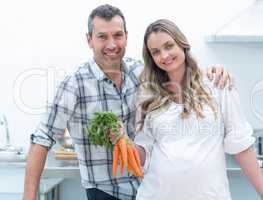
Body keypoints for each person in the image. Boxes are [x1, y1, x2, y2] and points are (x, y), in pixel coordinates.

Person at [22, 5, 233, 200]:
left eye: (117, 35)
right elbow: (42, 138)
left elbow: (177, 72)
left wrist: (211, 72)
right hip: (106, 192)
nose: (112, 44)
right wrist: (29, 197)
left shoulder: (140, 72)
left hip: (147, 189)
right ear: (89, 40)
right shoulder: (74, 84)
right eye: (102, 37)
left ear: (126, 37)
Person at [128, 19, 263, 200]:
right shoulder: (147, 95)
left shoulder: (217, 83)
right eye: (155, 52)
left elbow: (242, 147)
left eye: (169, 46)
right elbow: (143, 155)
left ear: (182, 44)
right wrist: (121, 141)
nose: (164, 55)